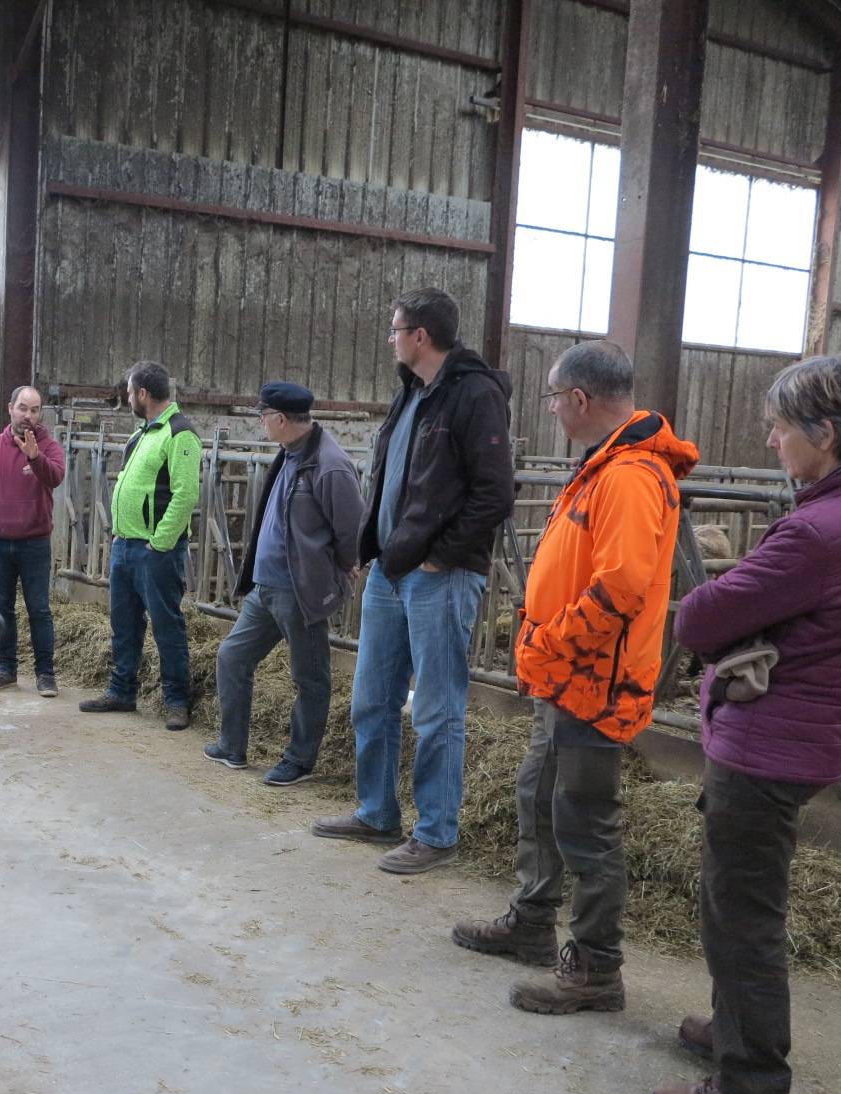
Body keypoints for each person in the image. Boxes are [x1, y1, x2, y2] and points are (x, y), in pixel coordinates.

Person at [650, 356, 841, 1094]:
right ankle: (736, 1029)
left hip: (772, 743)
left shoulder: (819, 530)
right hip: (806, 731)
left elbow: (698, 620)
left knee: (742, 915)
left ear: (825, 435)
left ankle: (751, 1088)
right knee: (744, 900)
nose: (770, 440)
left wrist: (705, 605)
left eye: (781, 428)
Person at [451, 341, 697, 1015]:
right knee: (539, 797)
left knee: (586, 821)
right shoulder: (605, 467)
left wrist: (554, 642)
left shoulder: (628, 475)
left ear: (580, 399)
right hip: (568, 679)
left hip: (592, 680)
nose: (554, 410)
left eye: (554, 399)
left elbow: (620, 586)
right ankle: (533, 921)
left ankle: (595, 968)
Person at [313, 288, 515, 873]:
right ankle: (377, 813)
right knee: (371, 699)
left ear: (421, 336)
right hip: (392, 572)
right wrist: (370, 548)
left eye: (395, 329)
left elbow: (495, 494)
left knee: (436, 709)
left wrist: (443, 556)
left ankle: (437, 832)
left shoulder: (474, 395)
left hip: (440, 577)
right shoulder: (412, 394)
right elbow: (394, 481)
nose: (391, 339)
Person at [203, 381, 364, 785]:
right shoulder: (290, 453)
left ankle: (300, 759)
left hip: (300, 590)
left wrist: (344, 565)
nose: (260, 422)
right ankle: (232, 746)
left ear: (279, 418)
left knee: (309, 676)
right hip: (267, 587)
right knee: (232, 658)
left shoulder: (330, 464)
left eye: (263, 415)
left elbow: (351, 529)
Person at [78, 360, 203, 731]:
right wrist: (120, 533)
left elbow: (185, 495)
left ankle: (177, 700)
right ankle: (122, 691)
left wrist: (160, 543)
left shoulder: (180, 433)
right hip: (126, 546)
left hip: (155, 551)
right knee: (124, 624)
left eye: (130, 392)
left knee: (167, 625)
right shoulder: (142, 433)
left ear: (143, 394)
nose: (128, 398)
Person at [0, 385, 65, 697]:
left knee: (39, 609)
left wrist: (35, 457)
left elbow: (56, 477)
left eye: (34, 410)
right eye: (23, 408)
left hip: (34, 544)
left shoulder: (49, 447)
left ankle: (45, 673)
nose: (28, 416)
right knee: (2, 609)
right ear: (10, 409)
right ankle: (6, 670)